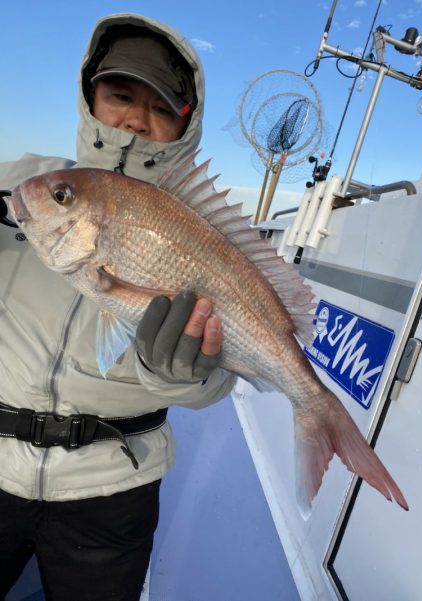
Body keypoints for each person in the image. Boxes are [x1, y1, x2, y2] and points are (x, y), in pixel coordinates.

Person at [0, 13, 236, 601]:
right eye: (120, 95)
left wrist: (183, 376)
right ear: (89, 99)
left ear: (185, 123)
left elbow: (218, 384)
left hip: (113, 490)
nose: (134, 118)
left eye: (158, 106)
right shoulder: (22, 184)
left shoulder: (204, 229)